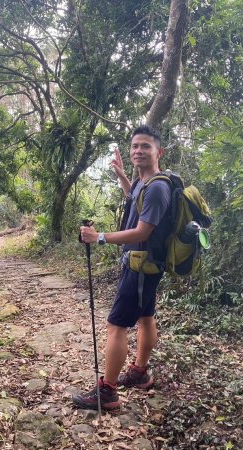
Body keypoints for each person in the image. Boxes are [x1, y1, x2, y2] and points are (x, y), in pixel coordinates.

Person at [73, 124, 171, 410]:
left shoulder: (157, 188)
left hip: (141, 267)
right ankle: (139, 373)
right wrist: (122, 177)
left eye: (145, 146)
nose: (139, 151)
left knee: (115, 326)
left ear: (159, 152)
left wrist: (99, 237)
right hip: (146, 266)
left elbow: (142, 231)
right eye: (135, 146)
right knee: (145, 317)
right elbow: (134, 200)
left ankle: (108, 391)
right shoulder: (145, 181)